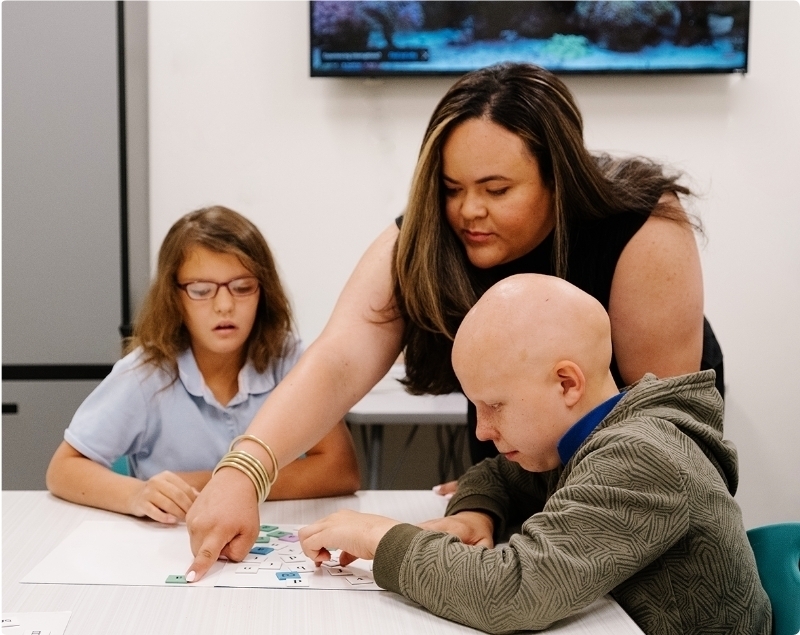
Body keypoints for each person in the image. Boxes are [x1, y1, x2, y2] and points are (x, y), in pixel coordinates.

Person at [184, 62, 722, 579]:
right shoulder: (425, 235)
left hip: (623, 493)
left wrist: (496, 511)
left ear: (557, 180)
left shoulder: (643, 226)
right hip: (525, 475)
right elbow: (340, 356)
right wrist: (244, 471)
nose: (468, 212)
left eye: (497, 190)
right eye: (451, 188)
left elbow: (658, 436)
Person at [298, 274, 769, 635]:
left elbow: (516, 592)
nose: (482, 431)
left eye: (494, 405)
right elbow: (497, 475)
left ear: (566, 383)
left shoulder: (642, 457)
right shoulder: (582, 437)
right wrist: (474, 514)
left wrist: (383, 539)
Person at [46, 206, 360, 524]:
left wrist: (227, 485)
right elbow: (63, 468)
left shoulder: (289, 359)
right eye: (200, 291)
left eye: (241, 287)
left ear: (263, 292)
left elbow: (340, 470)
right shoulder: (144, 374)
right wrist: (136, 494)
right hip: (168, 540)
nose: (224, 306)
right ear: (175, 296)